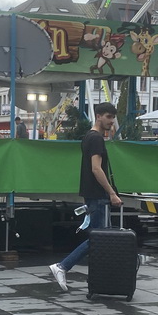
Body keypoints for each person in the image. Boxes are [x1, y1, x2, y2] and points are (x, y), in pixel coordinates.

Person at [49, 102, 122, 292]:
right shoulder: (96, 139)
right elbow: (96, 169)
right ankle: (63, 266)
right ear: (98, 116)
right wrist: (112, 193)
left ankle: (101, 275)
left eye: (113, 117)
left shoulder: (89, 137)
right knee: (98, 238)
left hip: (92, 195)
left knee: (99, 237)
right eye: (108, 117)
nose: (111, 121)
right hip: (98, 195)